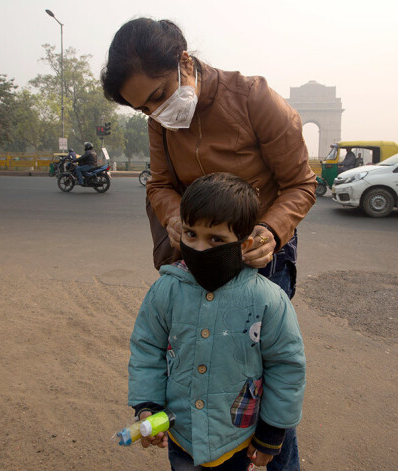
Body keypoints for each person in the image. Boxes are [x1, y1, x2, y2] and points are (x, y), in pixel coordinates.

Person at [101, 19, 315, 469]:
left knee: (259, 369)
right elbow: (160, 184)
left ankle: (277, 455)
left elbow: (300, 183)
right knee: (200, 358)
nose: (157, 112)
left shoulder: (254, 98)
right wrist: (176, 218)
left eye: (158, 95)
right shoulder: (161, 122)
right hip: (197, 255)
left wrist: (271, 232)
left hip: (258, 252)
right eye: (143, 109)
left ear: (183, 62)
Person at [128, 173, 306, 470]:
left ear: (244, 243)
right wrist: (148, 406)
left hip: (236, 440)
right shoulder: (166, 290)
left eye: (216, 239)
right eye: (191, 234)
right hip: (182, 436)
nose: (199, 248)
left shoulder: (268, 300)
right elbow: (147, 348)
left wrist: (271, 434)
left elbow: (286, 367)